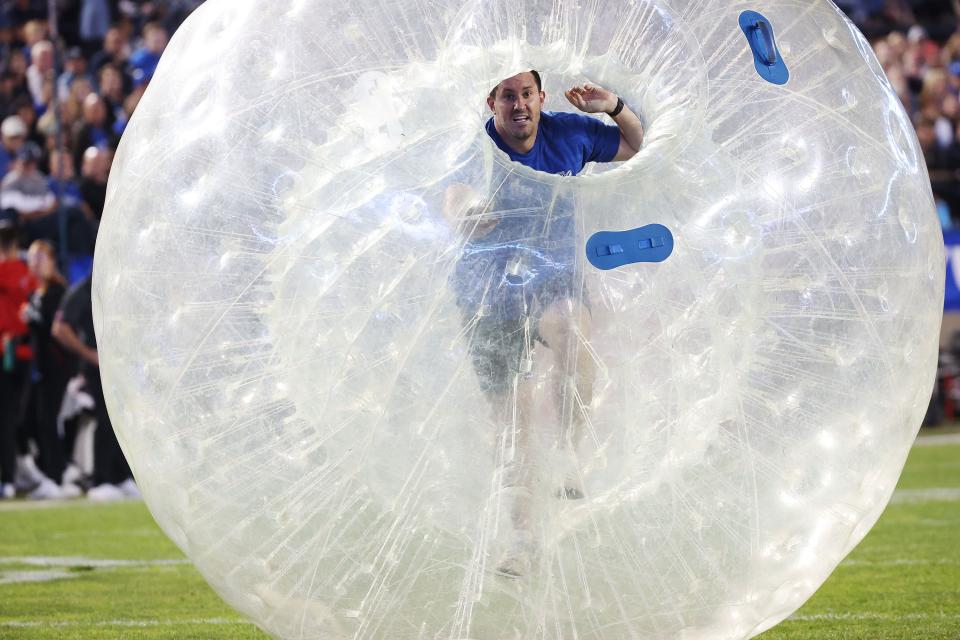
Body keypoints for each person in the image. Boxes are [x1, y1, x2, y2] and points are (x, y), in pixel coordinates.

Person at [445, 70, 642, 577]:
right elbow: (453, 193)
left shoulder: (568, 133)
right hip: (488, 293)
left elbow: (634, 146)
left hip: (553, 275)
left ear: (540, 97)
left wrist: (614, 105)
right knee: (514, 422)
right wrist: (465, 212)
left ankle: (569, 453)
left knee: (574, 332)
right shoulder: (476, 147)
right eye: (507, 96)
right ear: (491, 102)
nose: (518, 105)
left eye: (526, 94)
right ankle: (522, 538)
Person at [53, 275, 139, 500]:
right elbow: (60, 327)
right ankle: (101, 479)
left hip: (118, 364)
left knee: (120, 421)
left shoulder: (119, 284)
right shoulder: (85, 288)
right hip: (96, 368)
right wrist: (88, 353)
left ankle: (120, 477)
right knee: (105, 418)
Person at [20, 240, 80, 498]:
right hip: (40, 367)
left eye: (40, 257)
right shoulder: (37, 292)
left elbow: (55, 330)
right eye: (32, 258)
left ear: (52, 260)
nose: (35, 263)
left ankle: (57, 476)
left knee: (49, 421)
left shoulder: (58, 290)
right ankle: (52, 473)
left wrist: (31, 319)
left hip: (58, 366)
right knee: (36, 421)